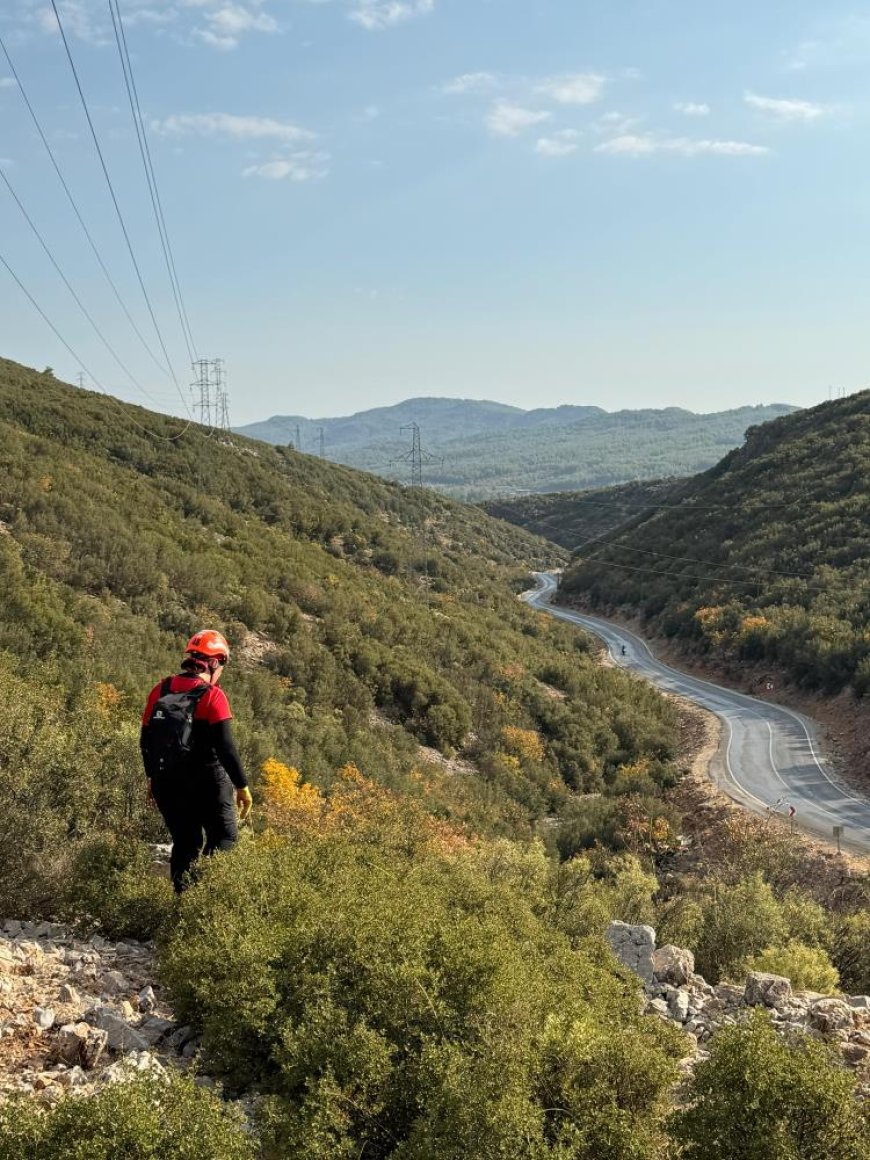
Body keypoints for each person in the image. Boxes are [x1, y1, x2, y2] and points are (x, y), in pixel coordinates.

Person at [140, 630, 253, 892]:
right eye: (222, 663)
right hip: (207, 783)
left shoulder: (160, 690)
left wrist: (152, 778)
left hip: (166, 783)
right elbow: (226, 748)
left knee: (186, 842)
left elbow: (146, 740)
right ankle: (207, 903)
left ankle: (182, 907)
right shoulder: (213, 696)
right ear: (214, 662)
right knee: (223, 837)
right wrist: (242, 786)